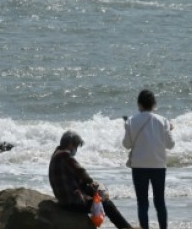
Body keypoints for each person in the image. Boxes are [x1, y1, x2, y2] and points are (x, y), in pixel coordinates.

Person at [49, 130, 139, 229]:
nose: (76, 149)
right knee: (107, 204)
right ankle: (126, 227)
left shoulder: (56, 154)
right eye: (76, 146)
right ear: (70, 144)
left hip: (64, 200)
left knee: (95, 194)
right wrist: (93, 184)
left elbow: (77, 178)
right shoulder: (65, 155)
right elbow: (82, 173)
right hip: (71, 202)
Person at [123, 89, 175, 229]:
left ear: (139, 104)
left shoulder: (131, 121)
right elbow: (171, 145)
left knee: (142, 203)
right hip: (158, 165)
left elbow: (126, 144)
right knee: (160, 202)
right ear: (154, 104)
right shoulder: (163, 121)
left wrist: (127, 130)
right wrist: (170, 130)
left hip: (139, 166)